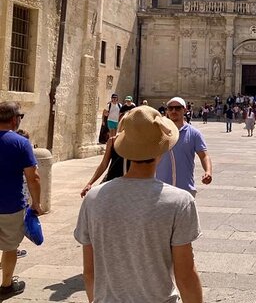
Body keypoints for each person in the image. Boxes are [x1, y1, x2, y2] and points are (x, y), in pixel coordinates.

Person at [74, 107, 203, 302]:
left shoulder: (93, 198)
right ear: (163, 148)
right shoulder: (180, 202)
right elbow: (185, 276)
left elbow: (89, 272)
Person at [0, 102, 42, 298]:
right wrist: (36, 203)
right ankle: (6, 285)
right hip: (10, 205)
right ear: (14, 119)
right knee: (10, 247)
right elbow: (33, 177)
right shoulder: (20, 143)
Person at [156, 97, 213, 197]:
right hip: (160, 188)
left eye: (178, 108)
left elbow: (204, 156)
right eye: (170, 108)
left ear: (185, 110)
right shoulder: (158, 133)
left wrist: (208, 172)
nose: (174, 111)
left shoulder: (194, 133)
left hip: (185, 189)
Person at [80, 130, 131, 197]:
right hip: (112, 180)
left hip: (130, 183)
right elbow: (104, 164)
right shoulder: (112, 141)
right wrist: (90, 183)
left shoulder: (141, 145)